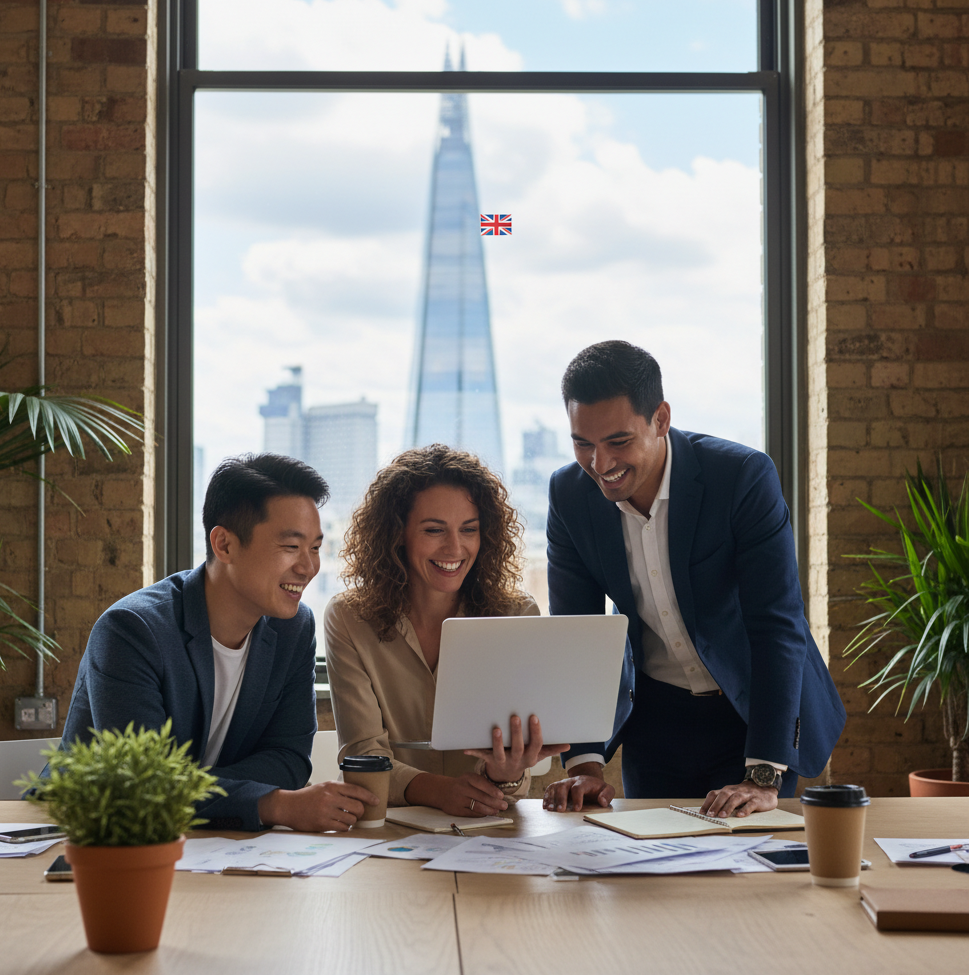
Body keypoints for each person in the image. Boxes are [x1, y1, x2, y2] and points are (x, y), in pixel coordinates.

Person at [543, 341, 846, 818]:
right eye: (584, 443)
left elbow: (776, 625)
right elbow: (575, 634)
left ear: (660, 419)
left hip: (750, 711)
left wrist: (764, 775)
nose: (600, 465)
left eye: (618, 441)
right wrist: (585, 761)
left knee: (752, 877)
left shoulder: (742, 477)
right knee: (652, 875)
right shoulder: (569, 495)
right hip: (656, 719)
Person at [57, 453, 378, 832]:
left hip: (218, 838)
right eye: (291, 547)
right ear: (224, 544)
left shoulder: (294, 628)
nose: (308, 567)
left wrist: (195, 788)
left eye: (315, 547)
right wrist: (270, 803)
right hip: (90, 833)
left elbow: (290, 759)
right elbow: (142, 784)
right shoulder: (132, 631)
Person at [325, 444, 568, 816]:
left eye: (469, 529)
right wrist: (439, 791)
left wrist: (505, 774)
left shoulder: (516, 614)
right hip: (391, 834)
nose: (455, 547)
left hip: (492, 832)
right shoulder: (348, 618)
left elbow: (511, 783)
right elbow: (362, 758)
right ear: (397, 534)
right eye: (434, 530)